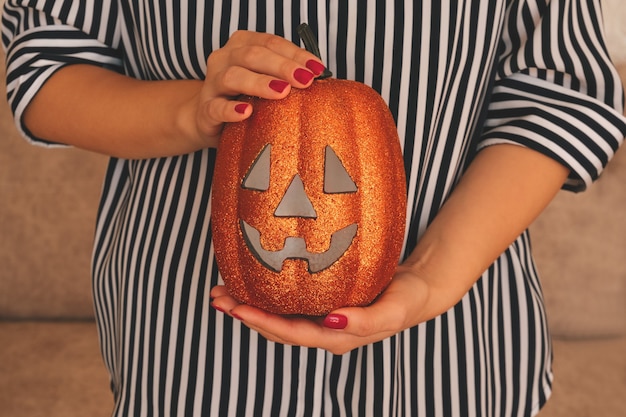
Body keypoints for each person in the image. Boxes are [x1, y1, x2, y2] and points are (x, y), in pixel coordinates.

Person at [3, 1, 625, 416]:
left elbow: (559, 94)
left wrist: (432, 276)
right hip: (189, 338)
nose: (301, 210)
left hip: (452, 342)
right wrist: (192, 110)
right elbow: (45, 65)